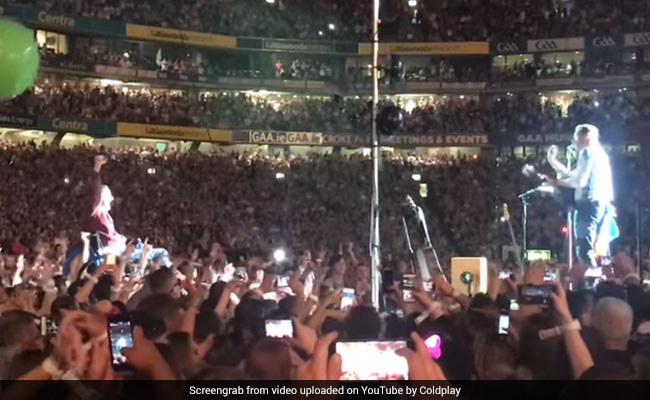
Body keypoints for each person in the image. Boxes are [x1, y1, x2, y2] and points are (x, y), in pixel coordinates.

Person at [547, 124, 615, 268]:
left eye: (575, 137)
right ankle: (594, 278)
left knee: (584, 247)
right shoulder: (599, 153)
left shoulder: (587, 152)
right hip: (598, 203)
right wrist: (553, 162)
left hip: (588, 203)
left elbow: (579, 181)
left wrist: (555, 182)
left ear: (586, 136)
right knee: (588, 245)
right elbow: (572, 175)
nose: (573, 141)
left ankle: (592, 281)